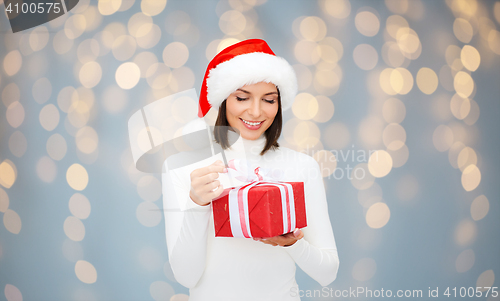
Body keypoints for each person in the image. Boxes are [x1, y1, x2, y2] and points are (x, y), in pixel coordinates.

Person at [162, 39, 339, 301]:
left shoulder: (302, 167)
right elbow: (186, 276)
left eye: (269, 100)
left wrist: (292, 243)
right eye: (242, 97)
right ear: (224, 99)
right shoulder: (185, 167)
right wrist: (197, 204)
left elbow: (328, 272)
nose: (255, 112)